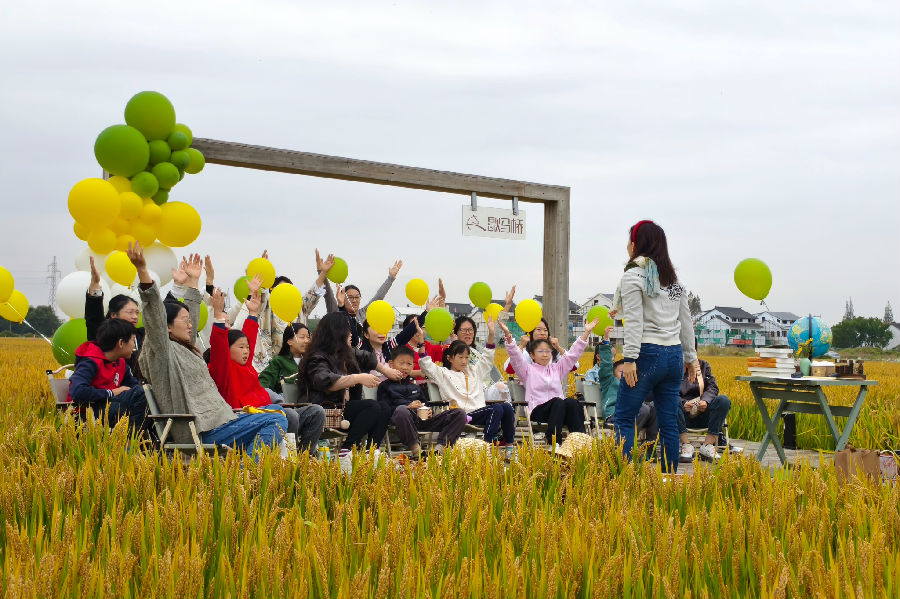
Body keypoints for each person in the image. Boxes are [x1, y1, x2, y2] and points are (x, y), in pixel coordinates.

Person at [129, 243, 287, 457]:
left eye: (188, 321)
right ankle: (246, 472)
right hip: (200, 430)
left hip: (220, 421)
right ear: (166, 326)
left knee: (277, 412)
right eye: (183, 321)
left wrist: (193, 284)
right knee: (276, 420)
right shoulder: (161, 352)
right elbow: (155, 315)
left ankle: (249, 466)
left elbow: (191, 316)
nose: (190, 324)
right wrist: (142, 271)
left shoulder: (185, 348)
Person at [611, 220, 699, 473]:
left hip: (646, 354)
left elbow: (635, 322)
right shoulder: (673, 281)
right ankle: (668, 476)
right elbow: (686, 322)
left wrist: (629, 360)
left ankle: (624, 475)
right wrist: (691, 358)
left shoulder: (633, 276)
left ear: (637, 244)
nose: (628, 245)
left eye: (630, 240)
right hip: (672, 357)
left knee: (625, 417)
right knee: (669, 420)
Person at [208, 286, 326, 455]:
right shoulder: (222, 368)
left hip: (266, 411)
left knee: (316, 412)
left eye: (247, 347)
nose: (246, 351)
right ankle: (286, 458)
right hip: (246, 417)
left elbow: (249, 335)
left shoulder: (246, 366)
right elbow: (219, 346)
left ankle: (304, 455)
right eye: (241, 347)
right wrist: (218, 316)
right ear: (227, 350)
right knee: (289, 416)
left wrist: (253, 314)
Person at [298, 312, 402, 472]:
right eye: (347, 329)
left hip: (343, 409)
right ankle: (346, 451)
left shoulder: (345, 352)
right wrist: (357, 378)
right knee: (372, 407)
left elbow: (367, 357)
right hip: (326, 409)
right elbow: (325, 381)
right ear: (337, 332)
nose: (351, 334)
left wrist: (385, 370)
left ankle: (371, 451)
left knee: (384, 408)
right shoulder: (316, 356)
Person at [229, 249, 336, 372]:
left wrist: (323, 273)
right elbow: (259, 298)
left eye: (287, 289)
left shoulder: (299, 309)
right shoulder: (267, 308)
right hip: (272, 365)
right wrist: (263, 273)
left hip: (298, 363)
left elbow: (313, 294)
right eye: (279, 289)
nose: (283, 293)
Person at [417, 317, 516, 447]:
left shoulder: (474, 371)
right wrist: (421, 343)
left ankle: (509, 446)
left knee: (507, 407)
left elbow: (487, 359)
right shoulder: (443, 374)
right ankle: (486, 445)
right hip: (461, 415)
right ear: (450, 358)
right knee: (496, 408)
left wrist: (491, 334)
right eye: (460, 357)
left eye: (467, 357)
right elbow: (426, 364)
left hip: (479, 413)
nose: (464, 361)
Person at [501, 315, 598, 448]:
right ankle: (554, 443)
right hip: (538, 412)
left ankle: (579, 442)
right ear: (532, 355)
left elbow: (573, 355)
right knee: (558, 402)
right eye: (541, 351)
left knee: (571, 402)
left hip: (558, 411)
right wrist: (508, 336)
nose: (545, 354)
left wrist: (586, 333)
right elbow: (515, 357)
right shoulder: (527, 370)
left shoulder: (557, 369)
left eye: (548, 351)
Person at [375, 346, 467, 458]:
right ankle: (416, 451)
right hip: (401, 419)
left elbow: (425, 404)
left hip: (421, 420)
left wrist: (428, 411)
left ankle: (439, 450)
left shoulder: (416, 387)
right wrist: (408, 407)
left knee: (459, 414)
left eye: (409, 364)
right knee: (402, 410)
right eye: (401, 363)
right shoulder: (385, 386)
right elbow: (385, 410)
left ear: (413, 366)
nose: (405, 367)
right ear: (391, 364)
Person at [67, 317, 148, 434]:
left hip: (107, 407)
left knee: (146, 394)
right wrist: (111, 392)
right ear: (121, 343)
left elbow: (134, 386)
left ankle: (143, 440)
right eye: (132, 341)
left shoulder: (121, 363)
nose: (134, 346)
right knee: (140, 395)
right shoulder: (90, 362)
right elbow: (78, 392)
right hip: (85, 414)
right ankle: (130, 443)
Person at [84, 256, 144, 377]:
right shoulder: (104, 335)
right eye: (130, 312)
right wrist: (95, 285)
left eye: (137, 313)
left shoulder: (142, 335)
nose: (135, 317)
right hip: (113, 391)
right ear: (113, 315)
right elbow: (93, 317)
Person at [324, 258, 403, 347]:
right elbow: (328, 294)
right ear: (342, 297)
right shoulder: (336, 314)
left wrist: (391, 278)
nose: (354, 300)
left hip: (364, 357)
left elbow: (379, 296)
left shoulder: (364, 313)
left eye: (357, 297)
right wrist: (323, 273)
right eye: (350, 297)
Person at [676, 350, 731, 462]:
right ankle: (686, 445)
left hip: (704, 413)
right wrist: (683, 403)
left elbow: (713, 387)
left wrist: (705, 401)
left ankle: (708, 445)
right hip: (682, 416)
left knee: (723, 400)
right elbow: (667, 391)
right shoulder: (673, 368)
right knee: (671, 401)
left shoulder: (704, 366)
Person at [258, 323, 310, 394]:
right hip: (286, 403)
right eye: (302, 337)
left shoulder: (311, 361)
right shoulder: (278, 362)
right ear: (289, 341)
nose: (306, 341)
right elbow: (263, 384)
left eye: (308, 337)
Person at [583, 326, 620, 420]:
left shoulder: (616, 372)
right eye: (612, 356)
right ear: (599, 357)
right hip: (601, 407)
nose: (614, 359)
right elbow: (591, 394)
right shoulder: (591, 373)